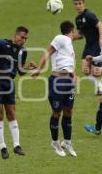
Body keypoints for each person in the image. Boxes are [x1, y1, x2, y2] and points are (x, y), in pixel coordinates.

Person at [0, 26, 37, 159]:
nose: (24, 40)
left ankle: (16, 145)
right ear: (15, 35)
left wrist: (29, 69)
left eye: (26, 38)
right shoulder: (2, 43)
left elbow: (20, 71)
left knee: (11, 113)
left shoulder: (23, 51)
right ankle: (3, 147)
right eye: (22, 37)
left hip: (9, 82)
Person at [31, 21, 77, 157]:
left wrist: (73, 75)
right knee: (57, 112)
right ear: (71, 31)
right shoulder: (61, 38)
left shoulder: (69, 45)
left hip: (68, 81)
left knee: (68, 111)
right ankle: (55, 142)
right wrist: (39, 69)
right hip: (57, 81)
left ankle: (67, 142)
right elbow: (47, 52)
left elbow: (68, 63)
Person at [73, 0, 102, 95]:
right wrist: (70, 38)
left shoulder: (88, 15)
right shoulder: (78, 19)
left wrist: (101, 39)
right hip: (88, 45)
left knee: (95, 71)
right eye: (76, 4)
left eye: (80, 3)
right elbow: (80, 34)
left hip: (96, 45)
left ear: (83, 4)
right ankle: (101, 88)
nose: (78, 6)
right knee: (85, 70)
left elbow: (100, 25)